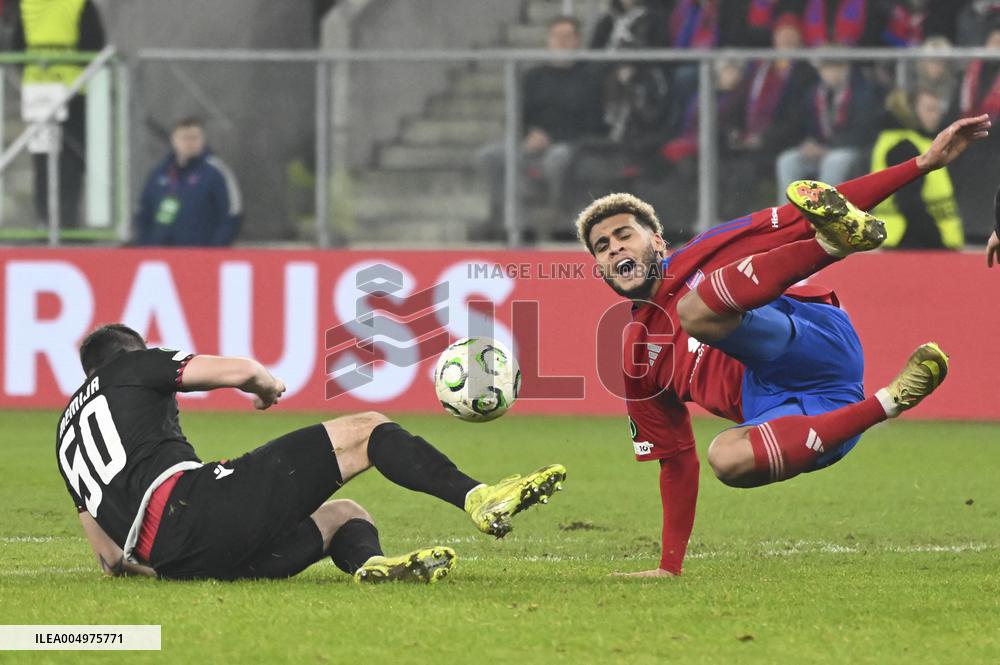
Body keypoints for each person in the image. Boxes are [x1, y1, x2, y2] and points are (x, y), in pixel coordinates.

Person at [574, 114, 990, 577]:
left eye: (623, 235)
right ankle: (891, 401)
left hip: (812, 340)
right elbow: (675, 461)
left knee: (696, 311)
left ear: (656, 240)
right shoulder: (636, 355)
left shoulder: (707, 248)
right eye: (601, 247)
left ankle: (832, 246)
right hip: (811, 415)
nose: (612, 248)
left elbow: (804, 214)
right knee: (725, 459)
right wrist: (669, 567)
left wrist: (922, 164)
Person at [57, 324, 567, 581]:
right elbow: (238, 371)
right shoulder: (132, 366)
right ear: (133, 352)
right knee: (367, 429)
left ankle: (372, 567)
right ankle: (478, 497)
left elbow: (107, 556)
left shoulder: (64, 436)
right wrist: (264, 388)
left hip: (178, 558)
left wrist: (175, 565)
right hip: (195, 507)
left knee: (345, 515)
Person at [476, 16, 606, 240]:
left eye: (568, 37)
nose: (562, 42)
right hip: (534, 144)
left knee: (557, 158)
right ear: (549, 41)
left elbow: (596, 123)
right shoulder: (533, 77)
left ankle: (562, 223)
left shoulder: (591, 78)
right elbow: (518, 117)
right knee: (491, 156)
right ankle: (515, 224)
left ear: (577, 41)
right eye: (557, 37)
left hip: (573, 145)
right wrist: (528, 137)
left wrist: (553, 138)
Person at [10, 0, 105, 229]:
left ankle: (46, 220)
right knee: (72, 157)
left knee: (42, 159)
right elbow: (94, 44)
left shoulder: (27, 5)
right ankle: (67, 221)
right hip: (72, 89)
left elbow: (16, 47)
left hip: (38, 92)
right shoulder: (79, 4)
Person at [775, 58, 880, 203]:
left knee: (834, 161)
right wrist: (807, 143)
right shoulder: (813, 93)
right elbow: (802, 126)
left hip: (850, 149)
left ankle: (826, 216)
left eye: (837, 67)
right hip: (819, 148)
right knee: (788, 160)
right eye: (827, 68)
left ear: (847, 68)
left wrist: (828, 148)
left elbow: (862, 132)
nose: (833, 73)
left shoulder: (862, 93)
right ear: (820, 70)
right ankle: (787, 216)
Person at [870, 87, 964, 248]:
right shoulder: (904, 147)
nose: (936, 115)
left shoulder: (906, 141)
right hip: (912, 240)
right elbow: (910, 203)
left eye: (937, 110)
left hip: (905, 238)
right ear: (912, 112)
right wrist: (937, 242)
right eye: (929, 110)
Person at [134, 117, 243, 246]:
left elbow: (232, 214)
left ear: (202, 140)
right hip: (161, 258)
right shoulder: (159, 173)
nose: (189, 143)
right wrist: (147, 245)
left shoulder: (215, 172)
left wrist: (215, 250)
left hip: (201, 257)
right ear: (173, 140)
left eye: (194, 137)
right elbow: (143, 212)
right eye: (184, 138)